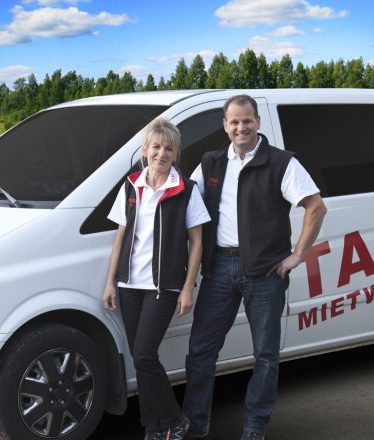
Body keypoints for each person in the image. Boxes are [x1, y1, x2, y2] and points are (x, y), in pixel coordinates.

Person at [183, 95, 327, 440]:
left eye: (246, 120)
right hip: (219, 267)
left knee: (265, 355)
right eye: (234, 122)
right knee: (201, 350)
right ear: (225, 125)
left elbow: (316, 207)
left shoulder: (280, 163)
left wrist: (296, 255)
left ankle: (254, 427)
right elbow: (184, 201)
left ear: (257, 122)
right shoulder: (211, 162)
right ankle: (195, 422)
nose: (240, 127)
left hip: (264, 272)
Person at [103, 117, 211, 440]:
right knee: (140, 358)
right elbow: (120, 237)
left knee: (146, 354)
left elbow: (197, 243)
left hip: (164, 287)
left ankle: (175, 419)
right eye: (156, 147)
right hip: (129, 286)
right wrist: (111, 281)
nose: (161, 154)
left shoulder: (186, 190)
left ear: (175, 154)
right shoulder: (130, 186)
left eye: (168, 149)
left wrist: (188, 286)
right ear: (145, 150)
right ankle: (153, 427)